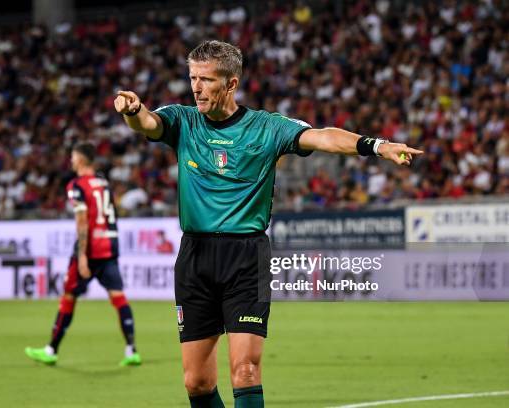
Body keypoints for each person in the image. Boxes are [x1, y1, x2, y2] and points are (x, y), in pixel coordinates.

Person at [114, 40, 422, 407]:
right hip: (195, 257)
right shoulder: (182, 121)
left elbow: (323, 136)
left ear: (231, 84)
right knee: (196, 382)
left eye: (206, 80)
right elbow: (147, 123)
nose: (196, 87)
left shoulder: (267, 128)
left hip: (246, 257)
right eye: (192, 78)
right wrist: (133, 111)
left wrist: (377, 145)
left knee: (245, 369)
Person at [25, 142, 141, 367]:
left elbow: (82, 221)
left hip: (91, 248)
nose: (70, 160)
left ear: (80, 159)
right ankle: (131, 350)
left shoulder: (76, 185)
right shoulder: (103, 182)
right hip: (110, 244)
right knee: (118, 296)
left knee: (69, 296)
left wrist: (82, 256)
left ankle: (51, 349)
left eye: (73, 156)